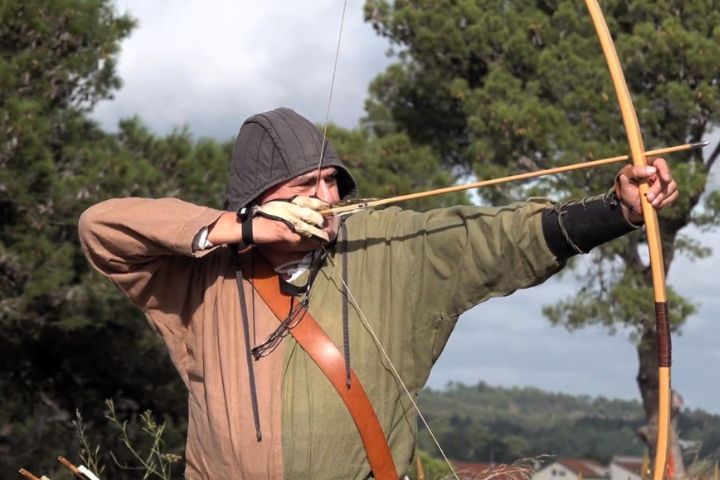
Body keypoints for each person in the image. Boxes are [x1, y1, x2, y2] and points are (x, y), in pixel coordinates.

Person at [78, 107, 678, 479]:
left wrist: (616, 210)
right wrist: (235, 230)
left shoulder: (388, 245)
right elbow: (102, 228)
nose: (329, 198)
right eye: (307, 185)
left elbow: (498, 239)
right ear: (258, 202)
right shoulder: (200, 273)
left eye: (333, 182)